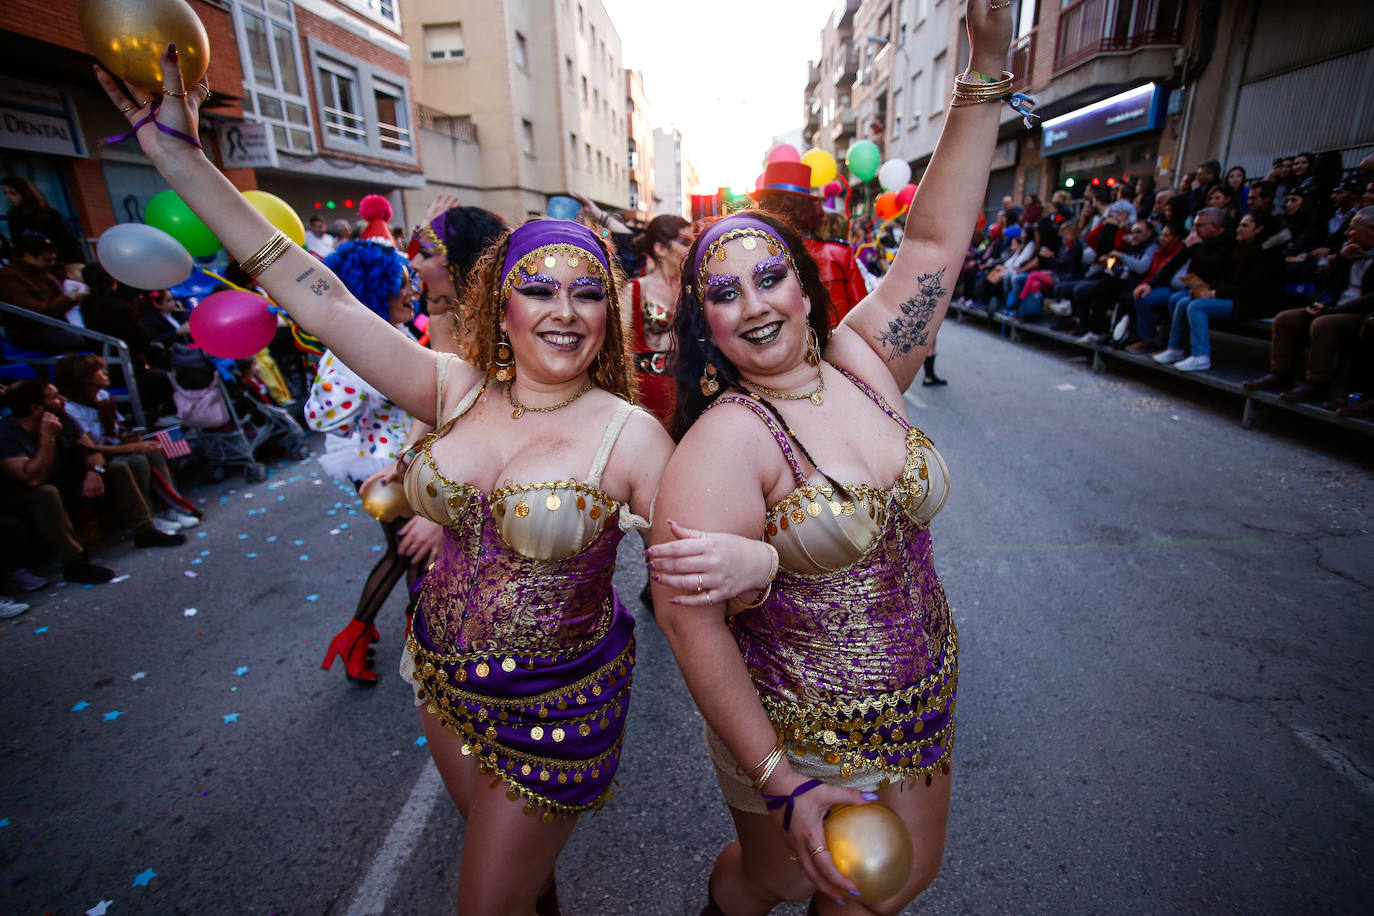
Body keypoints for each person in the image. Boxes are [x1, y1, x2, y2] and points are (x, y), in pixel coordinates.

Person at [94, 50, 770, 913]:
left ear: (608, 312)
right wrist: (185, 162)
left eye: (586, 293)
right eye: (538, 289)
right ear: (504, 304)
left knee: (484, 902)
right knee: (523, 889)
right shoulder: (450, 387)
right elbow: (324, 299)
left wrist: (759, 563)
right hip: (441, 682)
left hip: (555, 710)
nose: (563, 311)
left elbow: (706, 579)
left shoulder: (634, 439)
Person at [646, 5, 1011, 913]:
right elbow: (688, 620)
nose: (754, 304)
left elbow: (934, 240)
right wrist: (782, 780)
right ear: (709, 327)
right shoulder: (725, 439)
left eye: (770, 277)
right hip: (794, 730)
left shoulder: (865, 360)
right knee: (775, 880)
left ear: (806, 290)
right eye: (723, 295)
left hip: (925, 686)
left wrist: (987, 66)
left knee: (896, 883)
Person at [308, 236, 441, 686]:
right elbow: (320, 416)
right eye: (402, 283)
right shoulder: (349, 347)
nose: (412, 291)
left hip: (405, 459)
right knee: (408, 551)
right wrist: (365, 375)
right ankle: (364, 635)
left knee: (412, 553)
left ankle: (407, 636)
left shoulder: (390, 331)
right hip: (379, 467)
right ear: (376, 286)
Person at [0, 379, 184, 584]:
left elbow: (91, 450)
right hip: (26, 494)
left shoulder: (64, 418)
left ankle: (145, 530)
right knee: (45, 493)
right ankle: (74, 562)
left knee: (115, 469)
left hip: (66, 478)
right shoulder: (7, 434)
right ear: (36, 408)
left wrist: (94, 471)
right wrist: (48, 438)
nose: (63, 400)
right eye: (55, 397)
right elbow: (32, 478)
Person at [53, 353, 199, 531]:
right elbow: (90, 448)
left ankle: (172, 505)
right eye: (99, 370)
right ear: (86, 378)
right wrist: (132, 447)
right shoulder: (72, 410)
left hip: (115, 445)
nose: (105, 373)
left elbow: (118, 427)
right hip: (97, 457)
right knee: (137, 460)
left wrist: (128, 437)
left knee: (156, 447)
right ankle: (149, 515)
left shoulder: (103, 396)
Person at [1243, 207, 1374, 402]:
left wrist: (1330, 311)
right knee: (1286, 319)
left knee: (1323, 325)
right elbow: (1326, 284)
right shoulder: (1351, 252)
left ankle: (1317, 384)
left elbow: (1369, 300)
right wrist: (1341, 261)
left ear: (1371, 231)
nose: (1347, 233)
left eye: (1353, 229)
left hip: (1358, 313)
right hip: (1334, 307)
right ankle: (1280, 374)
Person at [1149, 213, 1284, 371]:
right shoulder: (1238, 248)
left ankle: (1201, 356)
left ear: (1259, 229)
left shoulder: (1267, 255)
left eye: (1245, 226)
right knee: (1183, 301)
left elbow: (1251, 287)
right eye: (1240, 225)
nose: (1239, 229)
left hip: (1254, 302)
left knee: (1197, 307)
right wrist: (1206, 288)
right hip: (1233, 296)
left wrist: (1214, 293)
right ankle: (1176, 348)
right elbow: (1224, 277)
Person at [753, 161, 869, 328]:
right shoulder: (838, 253)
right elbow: (863, 315)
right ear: (808, 209)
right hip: (837, 350)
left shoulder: (754, 257)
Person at [624, 214, 692, 425]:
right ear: (660, 249)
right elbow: (619, 351)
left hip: (689, 392)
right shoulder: (634, 290)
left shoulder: (695, 290)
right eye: (685, 242)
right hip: (645, 395)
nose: (691, 248)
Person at [0, 232, 86, 353]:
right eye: (47, 260)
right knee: (79, 340)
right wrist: (68, 299)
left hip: (60, 325)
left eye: (54, 259)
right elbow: (33, 313)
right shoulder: (8, 278)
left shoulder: (47, 272)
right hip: (32, 332)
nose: (52, 263)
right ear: (28, 256)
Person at [2, 175, 85, 268]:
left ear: (25, 192)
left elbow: (68, 242)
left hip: (57, 263)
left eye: (13, 193)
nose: (9, 197)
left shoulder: (50, 214)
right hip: (32, 265)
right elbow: (18, 245)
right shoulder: (14, 217)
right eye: (6, 193)